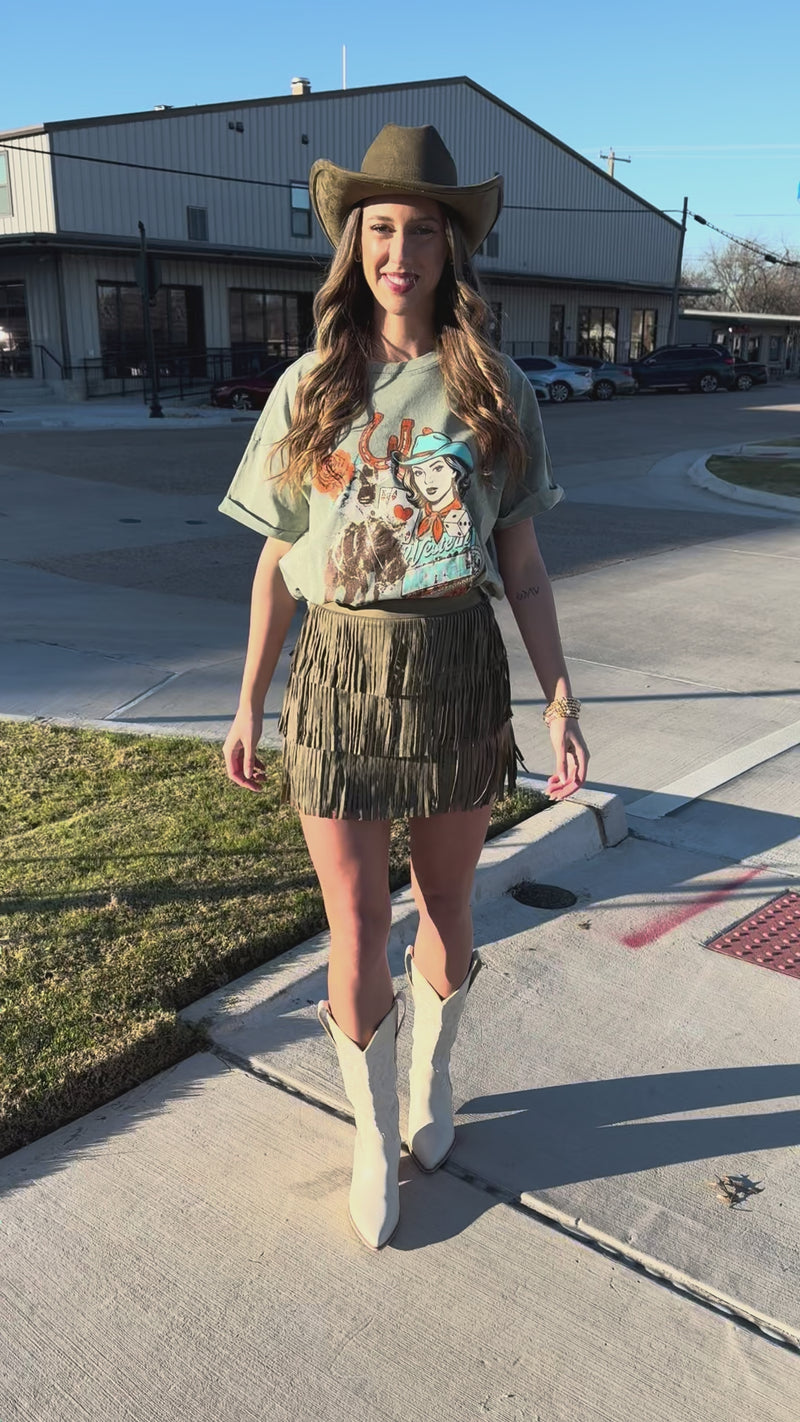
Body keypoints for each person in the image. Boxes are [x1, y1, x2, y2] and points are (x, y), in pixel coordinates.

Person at [220, 124, 590, 1251]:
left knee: (444, 906)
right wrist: (246, 699)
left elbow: (520, 567)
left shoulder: (493, 387)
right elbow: (276, 560)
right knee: (352, 920)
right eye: (378, 228)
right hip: (336, 670)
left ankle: (432, 1081)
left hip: (453, 667)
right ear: (353, 245)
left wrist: (560, 695)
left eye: (418, 230)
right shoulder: (310, 384)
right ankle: (368, 1133)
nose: (397, 250)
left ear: (448, 248)